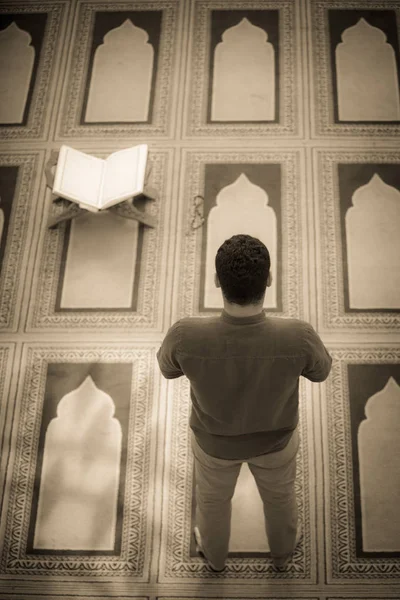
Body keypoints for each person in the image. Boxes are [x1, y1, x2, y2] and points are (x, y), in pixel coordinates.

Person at [157, 234, 332, 571]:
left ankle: (215, 558)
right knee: (280, 499)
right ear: (268, 279)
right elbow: (321, 373)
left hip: (213, 444)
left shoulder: (185, 334)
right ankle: (282, 556)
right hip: (276, 442)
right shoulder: (298, 335)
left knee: (212, 502)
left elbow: (167, 371)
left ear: (216, 281)